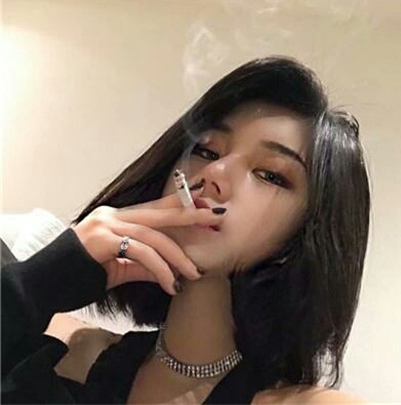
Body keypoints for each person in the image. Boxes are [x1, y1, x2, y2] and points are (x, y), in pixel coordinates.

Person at [1, 55, 370, 404]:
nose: (214, 174)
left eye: (269, 174)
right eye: (206, 151)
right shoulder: (72, 354)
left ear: (306, 232)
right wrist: (41, 281)